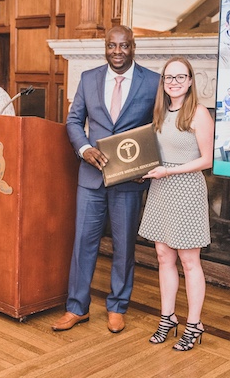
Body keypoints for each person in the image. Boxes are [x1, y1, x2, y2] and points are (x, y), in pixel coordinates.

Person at [52, 25, 160, 333]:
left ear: (133, 47)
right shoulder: (89, 79)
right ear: (105, 47)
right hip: (91, 177)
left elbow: (159, 127)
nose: (117, 52)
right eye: (112, 46)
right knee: (83, 244)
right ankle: (77, 307)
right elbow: (74, 121)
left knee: (124, 246)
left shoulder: (152, 82)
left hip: (129, 179)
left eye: (123, 46)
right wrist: (84, 149)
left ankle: (117, 306)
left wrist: (146, 166)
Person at [138, 56, 214, 351]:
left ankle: (194, 324)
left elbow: (206, 160)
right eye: (169, 77)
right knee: (162, 256)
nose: (174, 82)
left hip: (186, 188)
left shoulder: (199, 113)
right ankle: (167, 317)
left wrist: (168, 170)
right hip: (160, 188)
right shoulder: (160, 112)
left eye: (180, 77)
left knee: (189, 261)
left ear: (191, 81)